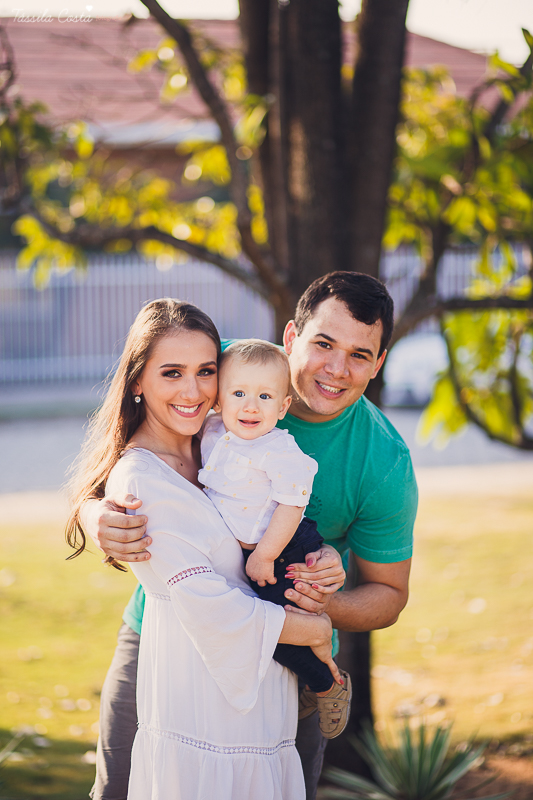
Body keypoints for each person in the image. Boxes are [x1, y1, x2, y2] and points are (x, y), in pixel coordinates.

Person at [82, 271, 418, 800]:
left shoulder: (383, 461)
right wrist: (91, 511)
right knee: (129, 784)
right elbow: (133, 434)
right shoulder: (221, 365)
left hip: (287, 652)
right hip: (168, 630)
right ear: (289, 339)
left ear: (378, 365)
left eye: (360, 355)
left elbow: (390, 596)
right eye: (323, 344)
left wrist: (321, 605)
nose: (336, 368)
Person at [200, 339, 352, 738]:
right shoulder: (213, 432)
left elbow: (291, 505)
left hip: (284, 547)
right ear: (217, 400)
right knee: (265, 631)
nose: (250, 406)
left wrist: (265, 555)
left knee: (280, 630)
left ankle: (327, 682)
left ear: (283, 407)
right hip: (259, 553)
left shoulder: (280, 450)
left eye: (265, 396)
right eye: (238, 394)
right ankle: (311, 680)